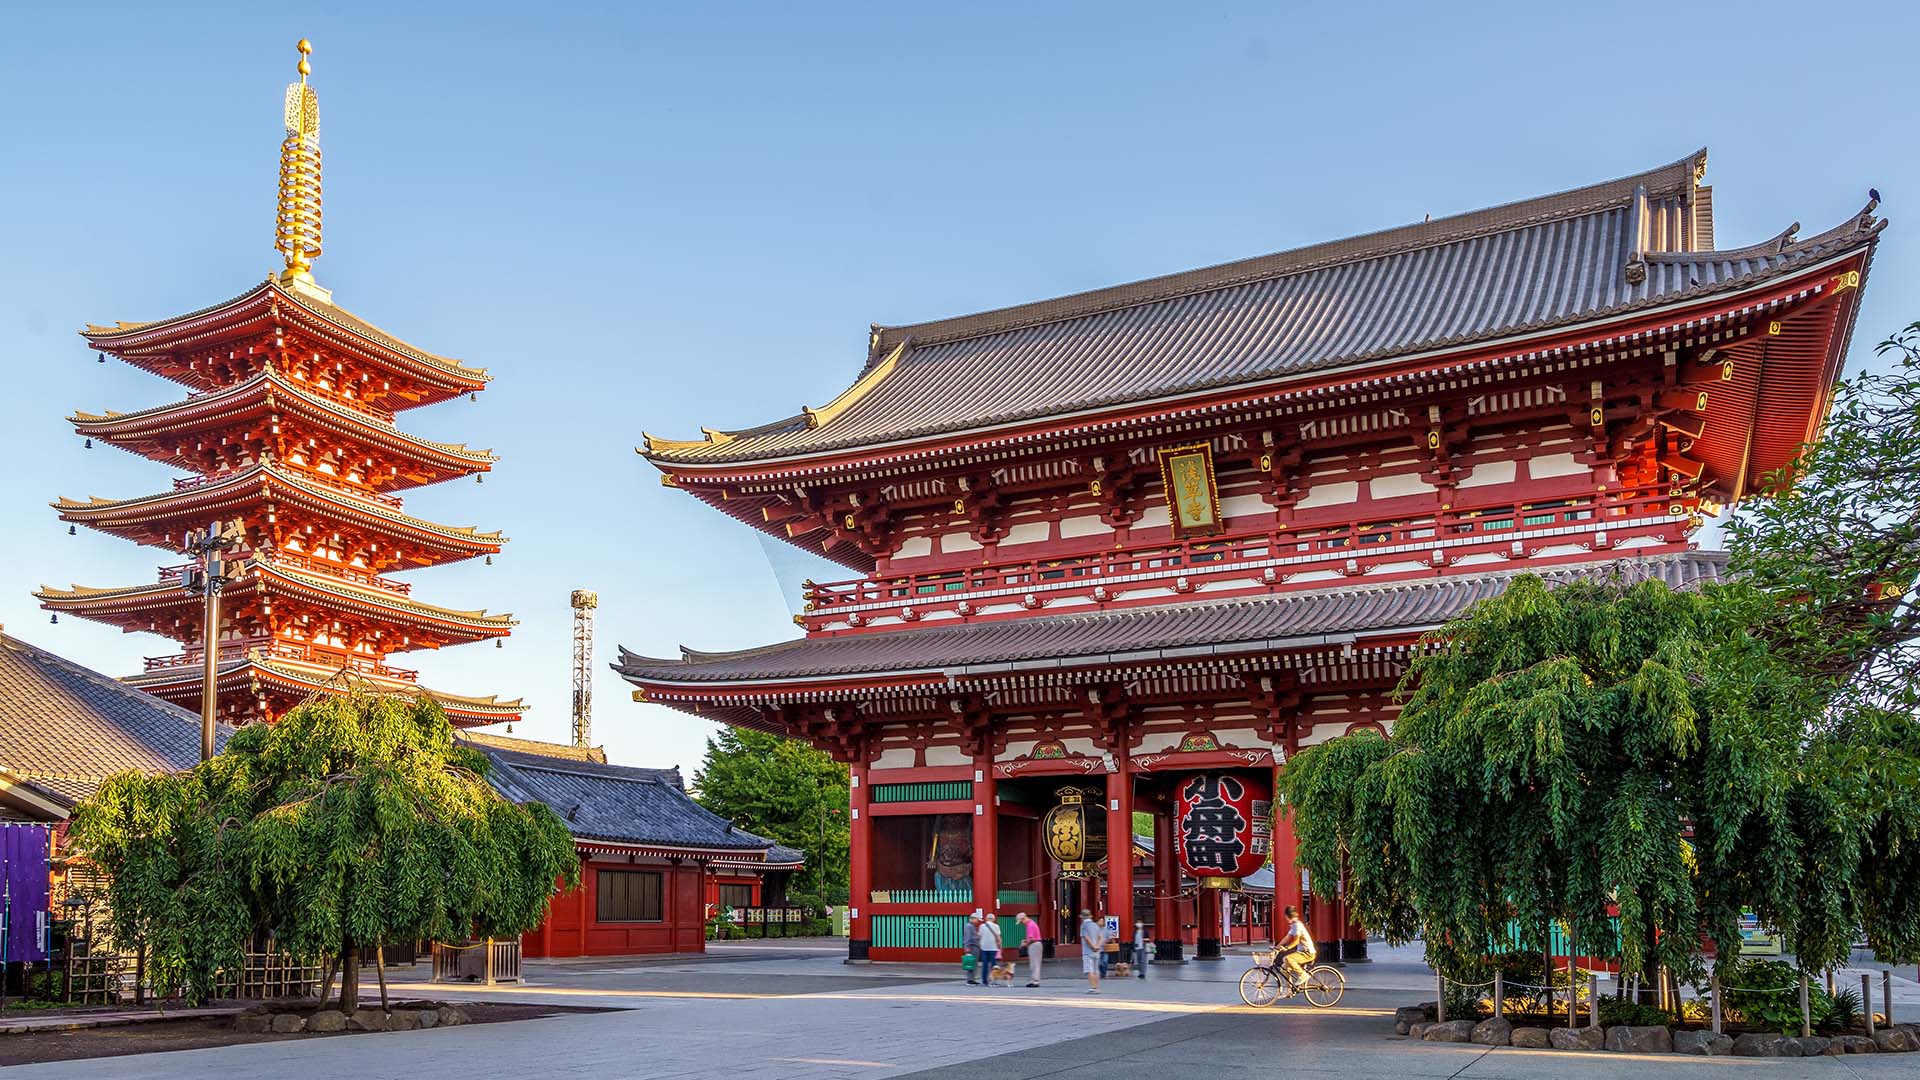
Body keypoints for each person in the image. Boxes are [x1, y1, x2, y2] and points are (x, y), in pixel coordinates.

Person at [1276, 905, 1314, 988]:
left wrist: (1286, 948)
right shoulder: (1294, 925)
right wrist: (1277, 947)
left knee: (1288, 958)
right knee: (1284, 968)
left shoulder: (1297, 925)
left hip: (1307, 953)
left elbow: (1296, 940)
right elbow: (1287, 938)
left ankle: (1303, 975)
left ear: (1287, 916)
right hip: (1302, 952)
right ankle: (1289, 990)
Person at [1078, 908, 1106, 994]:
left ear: (1082, 917)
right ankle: (1097, 987)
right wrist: (1097, 946)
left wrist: (1092, 946)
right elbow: (1101, 938)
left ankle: (1092, 987)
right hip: (1097, 951)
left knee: (1089, 970)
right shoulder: (1095, 925)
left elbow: (1086, 937)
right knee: (1096, 969)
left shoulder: (1083, 926)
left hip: (1087, 951)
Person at [1017, 911, 1043, 987]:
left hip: (1034, 945)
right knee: (1033, 963)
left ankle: (1035, 981)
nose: (1021, 923)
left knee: (1035, 963)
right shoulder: (1031, 924)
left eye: (1021, 921)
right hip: (1035, 944)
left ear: (1023, 918)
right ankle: (1033, 980)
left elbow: (1031, 939)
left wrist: (1024, 944)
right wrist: (1025, 941)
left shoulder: (1030, 925)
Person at [977, 912, 1002, 988]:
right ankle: (993, 981)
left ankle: (984, 981)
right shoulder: (996, 926)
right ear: (993, 919)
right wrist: (1000, 947)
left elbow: (979, 936)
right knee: (994, 965)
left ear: (986, 918)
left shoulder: (981, 926)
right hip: (993, 948)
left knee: (985, 965)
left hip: (984, 948)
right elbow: (998, 937)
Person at [962, 911, 982, 985]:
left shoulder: (972, 926)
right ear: (973, 919)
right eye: (977, 919)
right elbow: (967, 937)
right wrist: (967, 947)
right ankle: (970, 979)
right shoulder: (969, 926)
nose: (977, 921)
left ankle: (972, 978)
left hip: (974, 946)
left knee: (973, 963)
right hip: (972, 947)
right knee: (971, 963)